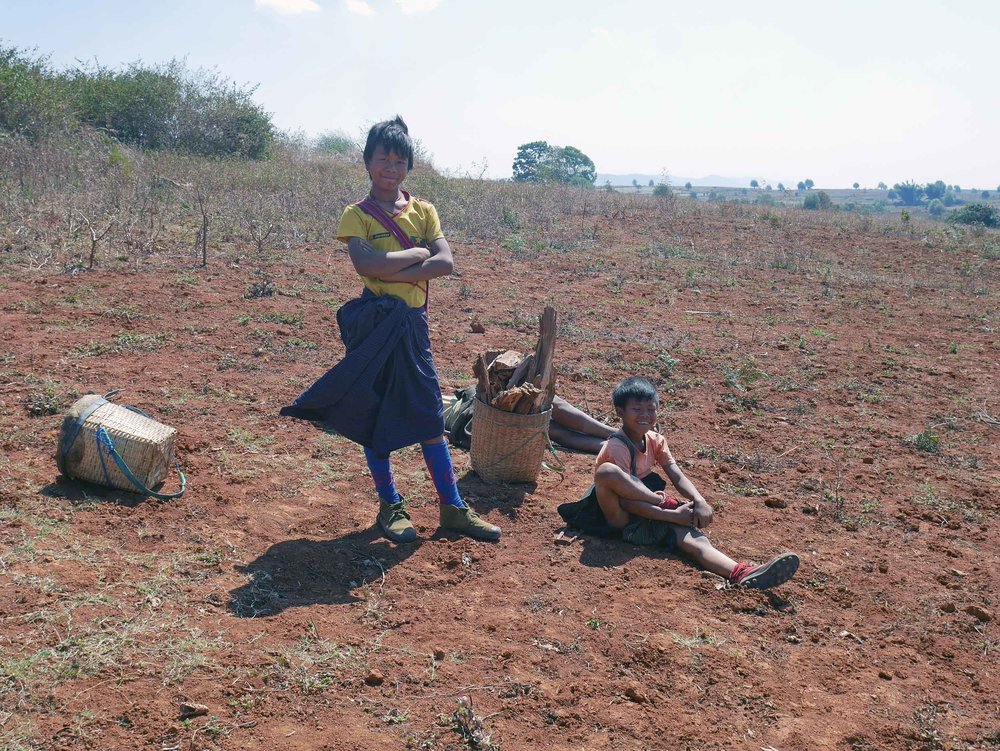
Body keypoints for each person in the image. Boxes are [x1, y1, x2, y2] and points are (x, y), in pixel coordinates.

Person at [281, 116, 499, 544]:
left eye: (399, 161)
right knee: (373, 411)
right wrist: (417, 254)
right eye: (383, 159)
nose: (391, 168)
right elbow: (367, 266)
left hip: (413, 327)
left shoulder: (424, 210)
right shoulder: (356, 215)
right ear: (367, 162)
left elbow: (446, 264)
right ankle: (390, 504)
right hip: (376, 324)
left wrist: (395, 264)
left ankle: (452, 508)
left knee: (430, 417)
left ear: (408, 166)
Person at [572, 376, 799, 589]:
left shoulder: (655, 440)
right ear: (620, 412)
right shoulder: (617, 447)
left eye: (651, 409)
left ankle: (740, 572)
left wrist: (698, 500)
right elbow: (627, 502)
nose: (645, 415)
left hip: (646, 507)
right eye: (637, 409)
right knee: (607, 472)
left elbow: (676, 474)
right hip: (615, 516)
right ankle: (663, 504)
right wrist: (667, 510)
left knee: (688, 537)